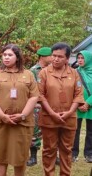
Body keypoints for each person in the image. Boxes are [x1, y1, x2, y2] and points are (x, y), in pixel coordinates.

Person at [0, 44, 39, 176]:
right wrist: (2, 115)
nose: (6, 57)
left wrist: (22, 115)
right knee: (1, 156)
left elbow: (34, 97)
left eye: (10, 55)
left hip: (22, 123)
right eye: (4, 55)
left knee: (20, 158)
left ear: (17, 57)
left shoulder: (28, 74)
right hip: (0, 123)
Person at [37, 42, 84, 176]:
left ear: (67, 59)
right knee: (49, 150)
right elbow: (40, 95)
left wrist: (69, 112)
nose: (56, 59)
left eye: (60, 56)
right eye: (54, 56)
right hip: (48, 118)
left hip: (69, 119)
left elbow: (78, 95)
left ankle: (65, 173)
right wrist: (52, 113)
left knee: (67, 150)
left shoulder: (74, 74)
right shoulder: (44, 73)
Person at [27, 47, 52, 166]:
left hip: (52, 105)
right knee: (35, 131)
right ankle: (33, 157)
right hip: (37, 106)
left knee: (52, 130)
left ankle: (53, 156)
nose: (53, 58)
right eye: (50, 56)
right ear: (43, 57)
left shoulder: (53, 70)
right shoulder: (32, 71)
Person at [72, 51, 92, 163]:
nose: (80, 60)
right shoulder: (74, 72)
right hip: (77, 105)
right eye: (78, 58)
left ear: (88, 59)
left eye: (82, 58)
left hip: (91, 106)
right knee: (75, 130)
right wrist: (80, 103)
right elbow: (72, 89)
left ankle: (89, 154)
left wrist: (88, 103)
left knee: (91, 131)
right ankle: (73, 153)